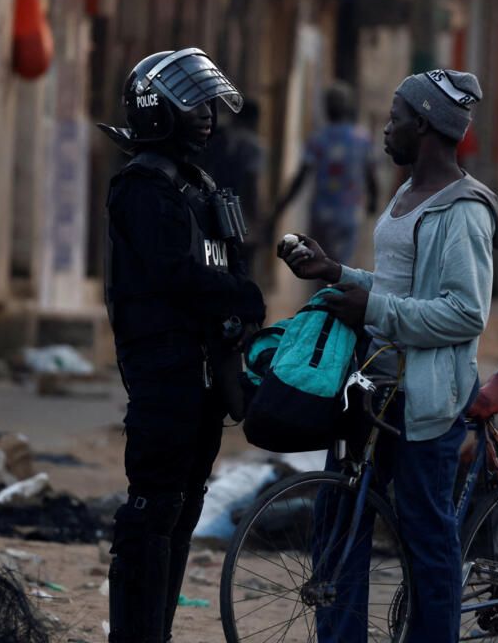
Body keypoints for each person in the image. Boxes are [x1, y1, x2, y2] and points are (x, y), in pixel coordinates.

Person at [279, 69, 498, 642]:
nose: (385, 129)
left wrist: (374, 309)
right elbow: (401, 286)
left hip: (429, 397)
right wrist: (336, 272)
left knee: (428, 539)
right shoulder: (407, 195)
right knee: (339, 523)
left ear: (425, 125)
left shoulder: (465, 212)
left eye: (395, 118)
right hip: (377, 386)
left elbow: (463, 314)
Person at [98, 48, 266, 643]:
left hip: (203, 373)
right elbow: (173, 274)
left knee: (185, 505)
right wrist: (240, 297)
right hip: (162, 372)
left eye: (208, 104)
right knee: (151, 509)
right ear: (157, 111)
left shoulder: (198, 182)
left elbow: (225, 259)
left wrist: (240, 308)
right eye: (192, 104)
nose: (206, 116)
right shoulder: (142, 185)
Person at [276, 82, 377, 265]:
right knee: (343, 268)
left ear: (326, 107)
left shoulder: (318, 139)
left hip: (322, 215)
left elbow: (301, 176)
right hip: (349, 214)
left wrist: (281, 206)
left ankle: (324, 293)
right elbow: (371, 175)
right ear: (348, 107)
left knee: (318, 266)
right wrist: (373, 202)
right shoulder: (361, 138)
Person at [192, 98, 264, 265]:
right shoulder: (253, 146)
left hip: (208, 206)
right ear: (254, 120)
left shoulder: (215, 137)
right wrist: (256, 221)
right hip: (238, 214)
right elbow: (251, 185)